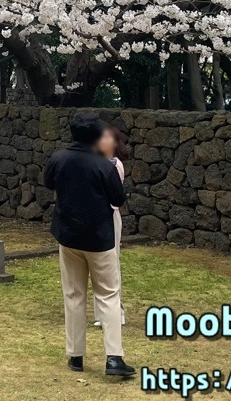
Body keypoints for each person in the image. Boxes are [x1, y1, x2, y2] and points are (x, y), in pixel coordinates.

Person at [44, 112, 134, 380]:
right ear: (96, 136)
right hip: (99, 238)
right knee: (107, 294)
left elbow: (50, 182)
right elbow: (118, 197)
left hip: (68, 235)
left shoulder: (58, 158)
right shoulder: (104, 165)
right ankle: (114, 357)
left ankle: (75, 355)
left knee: (73, 294)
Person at [93, 125, 127, 328]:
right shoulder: (95, 162)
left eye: (106, 137)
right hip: (96, 218)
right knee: (96, 265)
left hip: (109, 215)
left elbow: (114, 196)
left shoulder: (115, 164)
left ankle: (117, 311)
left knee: (110, 263)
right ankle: (101, 313)